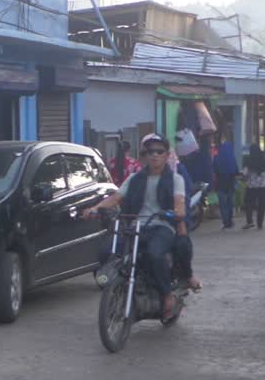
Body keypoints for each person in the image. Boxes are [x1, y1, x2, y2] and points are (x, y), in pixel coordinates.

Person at [84, 134, 200, 320]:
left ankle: (167, 294)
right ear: (144, 155)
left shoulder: (175, 179)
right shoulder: (134, 178)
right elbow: (116, 198)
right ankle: (120, 285)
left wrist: (177, 212)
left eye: (159, 151)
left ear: (166, 155)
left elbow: (179, 202)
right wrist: (96, 208)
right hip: (136, 226)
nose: (154, 155)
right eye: (150, 151)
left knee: (154, 254)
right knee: (107, 251)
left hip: (162, 227)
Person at [213, 133, 239, 228]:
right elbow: (236, 170)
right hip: (230, 183)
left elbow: (214, 168)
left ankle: (225, 221)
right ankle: (230, 220)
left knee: (223, 203)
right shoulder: (231, 157)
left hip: (221, 183)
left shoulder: (217, 157)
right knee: (230, 202)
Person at [242, 143, 265, 229]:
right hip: (263, 185)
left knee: (249, 203)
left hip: (251, 186)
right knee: (262, 204)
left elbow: (245, 173)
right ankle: (260, 223)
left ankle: (250, 221)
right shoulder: (264, 159)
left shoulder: (248, 160)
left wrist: (244, 178)